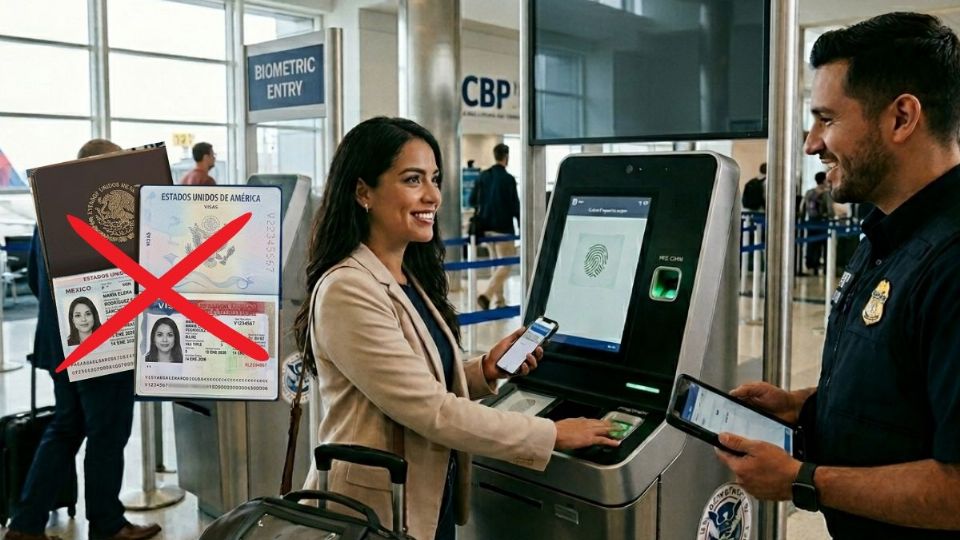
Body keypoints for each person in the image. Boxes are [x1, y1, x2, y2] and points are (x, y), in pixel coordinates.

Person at [294, 117, 619, 540]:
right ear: (363, 192)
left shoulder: (406, 277)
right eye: (413, 179)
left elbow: (417, 379)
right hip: (377, 511)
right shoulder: (348, 289)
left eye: (435, 179)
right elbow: (432, 410)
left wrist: (485, 370)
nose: (432, 195)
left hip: (426, 497)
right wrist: (551, 434)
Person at [716, 12, 960, 538]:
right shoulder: (886, 234)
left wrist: (803, 480)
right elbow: (904, 387)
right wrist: (805, 405)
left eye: (826, 119)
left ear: (901, 118)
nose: (811, 144)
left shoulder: (952, 262)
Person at [6, 139, 161, 540]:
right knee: (107, 434)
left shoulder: (51, 209)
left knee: (66, 428)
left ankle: (25, 524)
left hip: (61, 343)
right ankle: (107, 525)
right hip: (102, 345)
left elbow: (36, 280)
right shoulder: (109, 221)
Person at [468, 143, 520, 310]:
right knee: (506, 265)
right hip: (504, 229)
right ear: (506, 157)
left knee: (496, 265)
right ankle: (487, 294)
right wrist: (521, 227)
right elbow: (515, 206)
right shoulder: (509, 179)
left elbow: (471, 200)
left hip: (486, 228)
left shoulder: (483, 176)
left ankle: (500, 302)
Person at [802, 171, 834, 275]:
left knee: (811, 244)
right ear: (824, 180)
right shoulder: (827, 193)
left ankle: (811, 265)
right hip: (823, 222)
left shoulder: (809, 192)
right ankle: (825, 267)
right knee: (825, 245)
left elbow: (803, 207)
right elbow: (830, 210)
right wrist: (831, 216)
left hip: (811, 221)